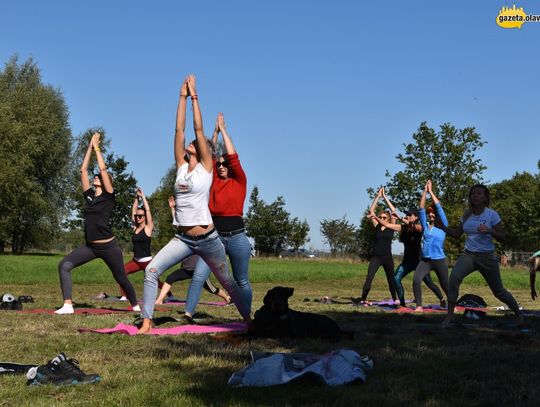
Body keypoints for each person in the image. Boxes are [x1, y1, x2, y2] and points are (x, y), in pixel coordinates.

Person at [137, 75, 251, 334]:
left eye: (195, 143)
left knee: (230, 283)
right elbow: (179, 130)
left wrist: (195, 98)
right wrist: (181, 96)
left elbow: (198, 130)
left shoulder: (207, 169)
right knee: (152, 270)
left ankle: (249, 321)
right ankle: (147, 321)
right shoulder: (180, 167)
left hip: (209, 239)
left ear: (202, 151)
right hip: (183, 239)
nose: (189, 141)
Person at [56, 133, 139, 314]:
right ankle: (68, 305)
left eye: (98, 177)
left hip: (109, 246)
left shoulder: (109, 196)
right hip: (91, 247)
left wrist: (98, 149)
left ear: (104, 181)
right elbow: (82, 171)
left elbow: (102, 169)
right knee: (64, 265)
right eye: (95, 177)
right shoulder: (90, 196)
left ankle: (136, 306)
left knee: (121, 279)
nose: (95, 177)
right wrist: (89, 146)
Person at [184, 112, 252, 318]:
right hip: (214, 238)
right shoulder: (212, 180)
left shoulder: (239, 180)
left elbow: (232, 156)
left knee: (241, 280)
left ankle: (247, 316)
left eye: (225, 164)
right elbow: (208, 157)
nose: (221, 166)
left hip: (238, 238)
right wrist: (213, 134)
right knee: (198, 276)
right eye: (219, 164)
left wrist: (223, 131)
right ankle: (188, 313)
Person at [442, 184, 523, 326]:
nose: (475, 196)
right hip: (469, 255)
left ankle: (518, 313)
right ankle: (449, 316)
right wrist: (441, 227)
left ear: (485, 198)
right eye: (473, 193)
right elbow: (456, 234)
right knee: (454, 278)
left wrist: (489, 230)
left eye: (479, 193)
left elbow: (503, 237)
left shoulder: (492, 214)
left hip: (486, 257)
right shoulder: (467, 214)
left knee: (499, 292)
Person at [154, 196, 231, 305]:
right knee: (170, 278)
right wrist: (173, 208)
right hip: (186, 268)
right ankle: (159, 299)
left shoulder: (200, 232)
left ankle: (227, 298)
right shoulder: (185, 232)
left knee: (211, 288)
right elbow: (178, 224)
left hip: (197, 269)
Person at [371, 205, 444, 307]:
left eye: (410, 214)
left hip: (419, 262)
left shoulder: (421, 227)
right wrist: (376, 217)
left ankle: (442, 299)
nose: (407, 216)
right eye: (407, 214)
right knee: (396, 278)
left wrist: (400, 218)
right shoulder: (403, 228)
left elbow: (414, 227)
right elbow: (387, 225)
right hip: (407, 262)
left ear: (416, 217)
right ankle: (402, 303)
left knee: (429, 283)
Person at [117, 188, 170, 301]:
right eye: (137, 216)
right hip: (136, 261)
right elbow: (133, 210)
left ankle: (169, 294)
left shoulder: (148, 228)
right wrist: (137, 198)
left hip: (147, 262)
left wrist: (143, 197)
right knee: (121, 272)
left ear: (145, 217)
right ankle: (124, 295)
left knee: (155, 280)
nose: (137, 217)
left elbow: (148, 210)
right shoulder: (135, 227)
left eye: (140, 216)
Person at [412, 180, 449, 312]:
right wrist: (425, 191)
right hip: (426, 260)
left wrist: (431, 192)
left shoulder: (444, 225)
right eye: (430, 213)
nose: (431, 215)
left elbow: (438, 206)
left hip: (439, 259)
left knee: (446, 285)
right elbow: (421, 208)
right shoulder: (426, 226)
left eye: (433, 213)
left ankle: (451, 305)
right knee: (416, 280)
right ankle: (419, 306)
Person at [358, 187, 398, 304]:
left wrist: (385, 197)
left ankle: (395, 299)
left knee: (391, 280)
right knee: (369, 278)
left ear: (388, 219)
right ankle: (363, 299)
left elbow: (393, 210)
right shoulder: (376, 226)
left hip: (387, 258)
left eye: (384, 218)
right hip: (376, 257)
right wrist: (377, 197)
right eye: (380, 217)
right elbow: (371, 211)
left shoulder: (391, 227)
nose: (381, 219)